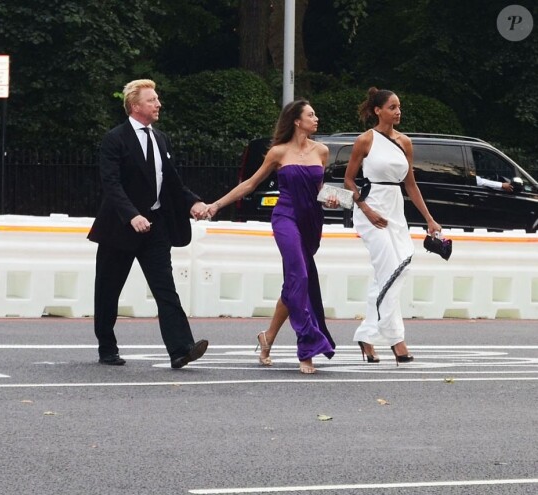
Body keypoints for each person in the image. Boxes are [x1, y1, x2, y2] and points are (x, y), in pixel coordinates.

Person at [205, 99, 336, 374]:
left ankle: (268, 337)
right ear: (297, 121)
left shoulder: (322, 151)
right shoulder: (277, 152)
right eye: (311, 115)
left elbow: (320, 189)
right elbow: (251, 183)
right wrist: (216, 205)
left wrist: (332, 200)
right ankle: (308, 347)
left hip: (312, 220)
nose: (316, 119)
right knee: (300, 276)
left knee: (293, 283)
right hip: (286, 217)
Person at [88, 79, 209, 368]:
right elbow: (111, 184)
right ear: (135, 106)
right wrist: (132, 214)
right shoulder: (115, 139)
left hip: (155, 227)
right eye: (152, 100)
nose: (158, 104)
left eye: (157, 99)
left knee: (165, 288)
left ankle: (181, 349)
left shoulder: (161, 139)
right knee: (108, 289)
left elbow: (172, 182)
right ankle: (107, 347)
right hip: (120, 227)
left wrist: (192, 201)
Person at [344, 87, 442, 365]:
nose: (398, 112)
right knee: (390, 270)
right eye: (392, 107)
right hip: (371, 209)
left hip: (395, 210)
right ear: (378, 110)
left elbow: (410, 184)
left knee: (395, 271)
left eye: (399, 107)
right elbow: (349, 181)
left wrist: (429, 219)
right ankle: (397, 341)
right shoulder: (365, 140)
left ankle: (367, 335)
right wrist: (365, 208)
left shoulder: (405, 142)